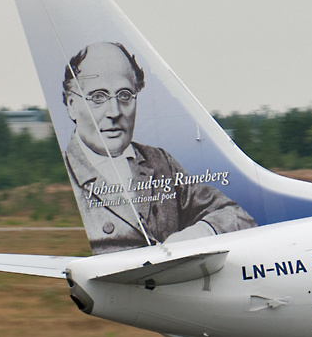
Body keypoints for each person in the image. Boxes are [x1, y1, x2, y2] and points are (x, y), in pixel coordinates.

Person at [62, 41, 255, 254]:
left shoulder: (159, 162)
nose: (115, 112)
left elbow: (236, 215)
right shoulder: (66, 174)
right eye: (98, 97)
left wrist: (199, 233)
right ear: (72, 105)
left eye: (125, 95)